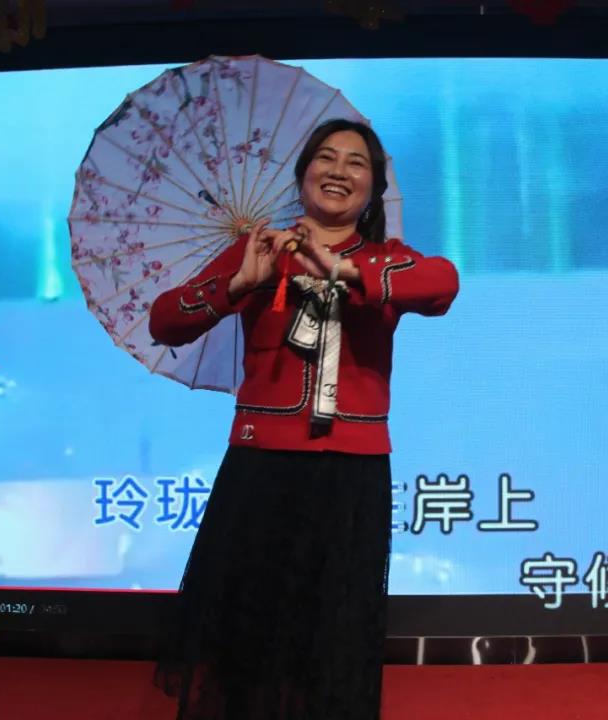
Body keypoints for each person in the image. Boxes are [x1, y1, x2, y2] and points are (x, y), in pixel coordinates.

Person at [149, 118, 459, 720]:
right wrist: (240, 283)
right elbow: (165, 321)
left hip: (351, 473)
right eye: (325, 158)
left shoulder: (386, 260)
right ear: (302, 176)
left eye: (356, 163)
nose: (339, 171)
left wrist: (345, 272)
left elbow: (443, 284)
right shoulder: (261, 251)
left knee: (334, 637)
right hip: (260, 466)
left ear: (373, 189)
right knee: (245, 635)